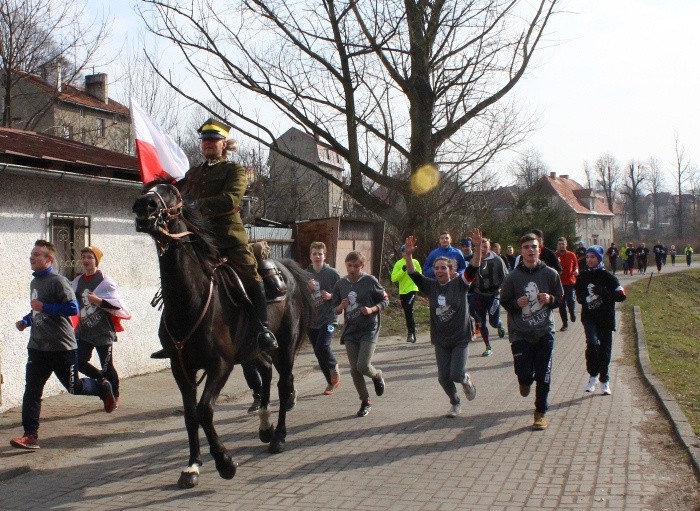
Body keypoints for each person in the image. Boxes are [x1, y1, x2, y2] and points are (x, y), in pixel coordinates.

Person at [151, 118, 277, 358]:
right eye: (205, 140)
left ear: (224, 144)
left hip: (227, 237)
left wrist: (194, 204)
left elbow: (231, 200)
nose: (208, 144)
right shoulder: (193, 172)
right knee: (177, 274)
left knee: (250, 273)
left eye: (213, 140)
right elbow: (177, 196)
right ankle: (170, 336)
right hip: (197, 238)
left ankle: (263, 330)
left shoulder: (235, 170)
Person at [11, 240, 117, 450]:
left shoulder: (58, 281)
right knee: (32, 391)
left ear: (48, 259)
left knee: (73, 387)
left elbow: (72, 308)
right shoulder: (35, 283)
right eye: (31, 254)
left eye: (37, 255)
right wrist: (26, 321)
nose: (32, 258)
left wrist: (45, 306)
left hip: (62, 347)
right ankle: (30, 435)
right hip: (38, 347)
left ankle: (102, 388)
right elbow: (38, 311)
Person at [403, 230, 479, 417]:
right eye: (436, 268)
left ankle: (465, 380)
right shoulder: (431, 286)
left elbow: (472, 269)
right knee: (443, 378)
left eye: (443, 268)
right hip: (440, 339)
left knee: (456, 374)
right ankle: (455, 402)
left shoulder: (460, 284)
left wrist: (477, 249)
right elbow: (413, 274)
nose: (439, 271)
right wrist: (408, 255)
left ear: (451, 270)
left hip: (460, 337)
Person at [500, 233, 564, 431]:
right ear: (522, 251)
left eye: (533, 247)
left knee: (544, 375)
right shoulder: (512, 277)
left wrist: (551, 299)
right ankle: (524, 381)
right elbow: (504, 301)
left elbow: (561, 298)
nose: (530, 250)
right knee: (525, 374)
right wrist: (515, 304)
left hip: (545, 331)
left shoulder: (550, 274)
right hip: (520, 333)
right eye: (526, 247)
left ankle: (540, 413)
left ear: (540, 249)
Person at [71, 246, 131, 410]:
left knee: (107, 366)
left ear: (96, 260)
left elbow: (118, 306)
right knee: (78, 361)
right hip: (84, 332)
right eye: (83, 257)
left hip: (103, 332)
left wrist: (98, 301)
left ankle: (115, 395)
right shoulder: (78, 281)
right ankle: (102, 381)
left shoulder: (106, 282)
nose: (85, 260)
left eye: (90, 257)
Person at [331, 251, 389, 417]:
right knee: (354, 370)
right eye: (349, 265)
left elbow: (385, 300)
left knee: (362, 365)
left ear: (362, 266)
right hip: (351, 330)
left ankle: (377, 376)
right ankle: (365, 401)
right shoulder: (340, 284)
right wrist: (340, 307)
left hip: (369, 328)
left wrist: (371, 309)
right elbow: (333, 308)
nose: (352, 269)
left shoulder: (370, 281)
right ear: (346, 265)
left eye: (356, 266)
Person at [575, 245, 627, 395]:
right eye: (588, 257)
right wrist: (583, 298)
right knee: (592, 343)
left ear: (599, 258)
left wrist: (603, 292)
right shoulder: (583, 276)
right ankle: (593, 376)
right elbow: (578, 295)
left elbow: (621, 296)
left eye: (593, 257)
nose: (590, 260)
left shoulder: (608, 277)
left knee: (604, 350)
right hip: (589, 318)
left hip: (605, 319)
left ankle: (605, 380)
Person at [306, 241, 342, 395]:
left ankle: (333, 365)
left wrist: (331, 296)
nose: (317, 256)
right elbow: (298, 296)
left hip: (330, 318)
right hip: (312, 320)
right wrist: (306, 287)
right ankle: (330, 382)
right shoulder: (304, 274)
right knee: (318, 352)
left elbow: (342, 295)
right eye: (314, 254)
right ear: (310, 256)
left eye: (320, 254)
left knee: (323, 346)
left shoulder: (332, 274)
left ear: (324, 256)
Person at [468, 235, 508, 357]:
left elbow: (506, 277)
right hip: (479, 295)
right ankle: (488, 346)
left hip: (493, 295)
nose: (483, 249)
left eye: (485, 246)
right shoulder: (474, 261)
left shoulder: (497, 260)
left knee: (493, 323)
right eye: (481, 246)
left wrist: (500, 290)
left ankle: (499, 324)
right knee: (480, 321)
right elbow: (469, 276)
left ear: (489, 248)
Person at [391, 244, 422, 344]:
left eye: (406, 251)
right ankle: (411, 331)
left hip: (413, 289)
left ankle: (411, 334)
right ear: (401, 253)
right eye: (403, 251)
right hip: (402, 291)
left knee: (409, 308)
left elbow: (420, 276)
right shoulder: (398, 264)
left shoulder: (415, 262)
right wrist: (403, 270)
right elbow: (393, 278)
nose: (405, 253)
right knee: (407, 312)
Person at [554, 237, 578, 331]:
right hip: (559, 283)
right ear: (557, 245)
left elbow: (576, 266)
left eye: (563, 244)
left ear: (566, 244)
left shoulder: (571, 255)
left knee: (570, 300)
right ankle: (565, 324)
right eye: (559, 244)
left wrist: (576, 271)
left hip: (570, 282)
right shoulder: (555, 255)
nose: (561, 246)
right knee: (561, 304)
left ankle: (572, 312)